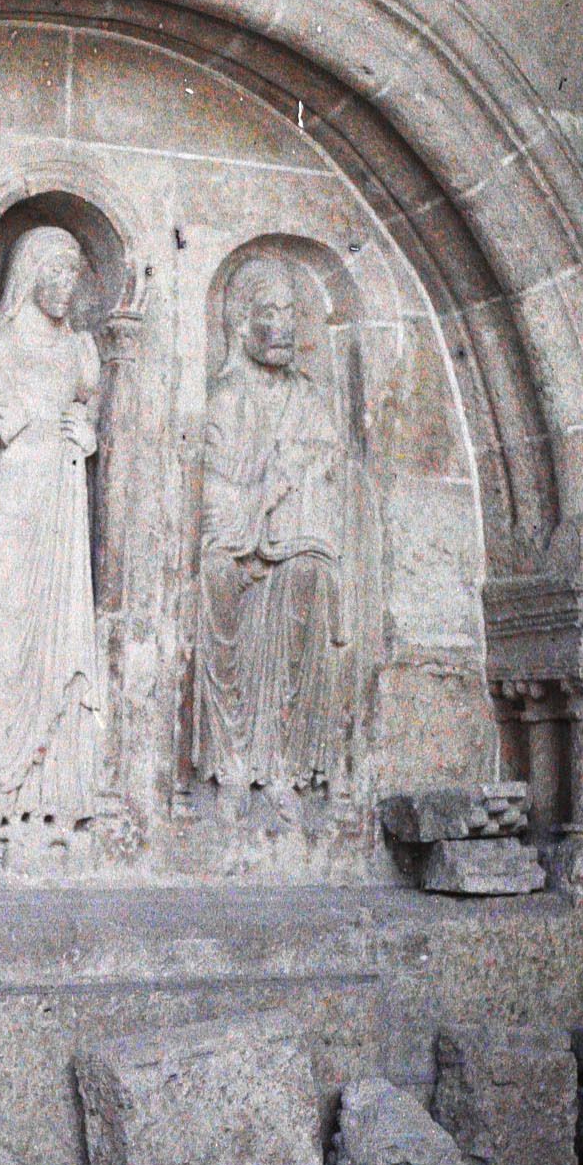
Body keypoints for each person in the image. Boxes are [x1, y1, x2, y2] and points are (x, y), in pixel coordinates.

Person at [193, 253, 348, 816]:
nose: (282, 323)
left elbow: (327, 470)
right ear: (241, 324)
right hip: (239, 546)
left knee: (309, 575)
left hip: (292, 544)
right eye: (269, 311)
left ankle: (286, 764)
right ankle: (231, 761)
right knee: (214, 578)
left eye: (290, 311)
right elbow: (212, 493)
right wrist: (260, 501)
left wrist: (297, 486)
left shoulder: (308, 399)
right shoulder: (226, 400)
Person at [0, 226, 102, 835]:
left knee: (60, 625)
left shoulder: (81, 348)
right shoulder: (9, 336)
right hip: (20, 487)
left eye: (73, 276)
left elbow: (87, 412)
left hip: (64, 493)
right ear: (29, 276)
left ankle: (55, 785)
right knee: (10, 626)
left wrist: (86, 434)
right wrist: (13, 419)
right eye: (54, 273)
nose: (65, 287)